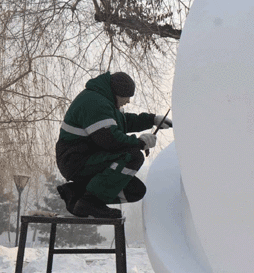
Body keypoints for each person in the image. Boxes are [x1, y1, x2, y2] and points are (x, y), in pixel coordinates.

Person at [55, 71, 172, 219]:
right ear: (117, 93)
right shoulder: (94, 103)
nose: (128, 101)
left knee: (135, 190)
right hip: (76, 160)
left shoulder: (103, 101)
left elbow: (124, 121)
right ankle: (90, 203)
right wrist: (140, 143)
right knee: (133, 157)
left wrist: (152, 119)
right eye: (127, 96)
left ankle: (77, 194)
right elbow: (110, 140)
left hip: (89, 159)